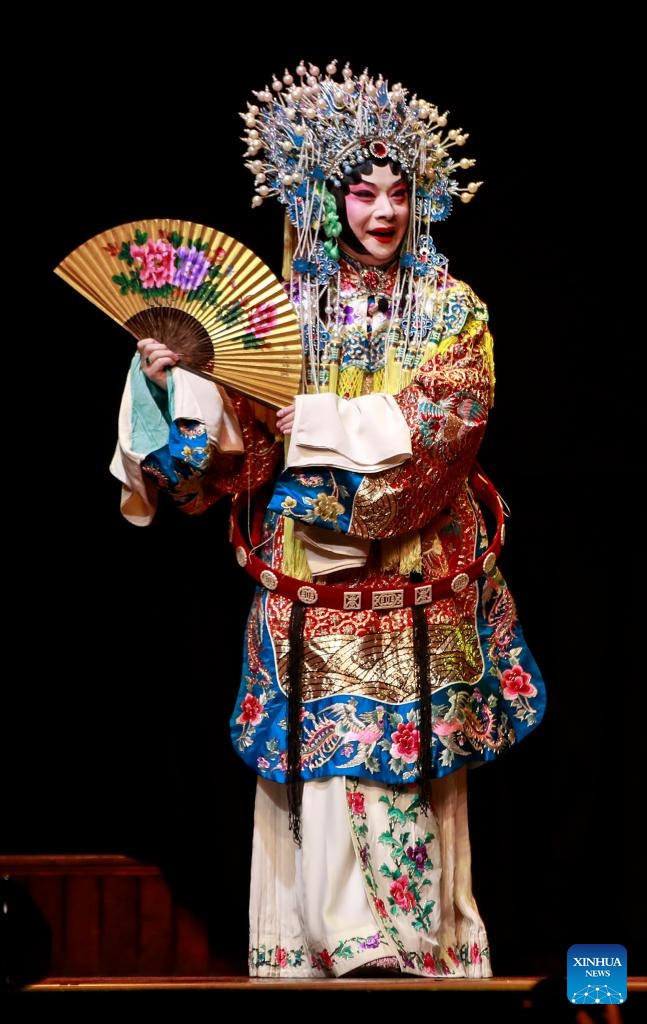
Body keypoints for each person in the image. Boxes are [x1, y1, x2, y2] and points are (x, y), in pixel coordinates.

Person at [110, 59, 546, 979]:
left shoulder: (449, 308)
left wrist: (316, 437)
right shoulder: (278, 314)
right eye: (360, 191)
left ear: (422, 197)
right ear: (324, 196)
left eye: (398, 192)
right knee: (322, 754)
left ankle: (411, 946)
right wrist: (176, 384)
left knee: (407, 759)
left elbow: (447, 427)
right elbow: (238, 452)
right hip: (309, 579)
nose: (382, 213)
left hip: (414, 570)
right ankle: (325, 942)